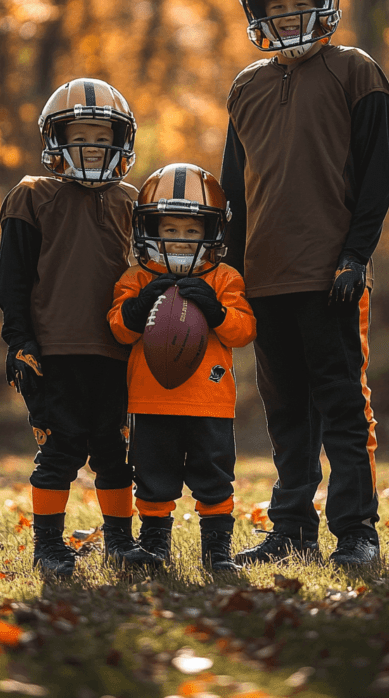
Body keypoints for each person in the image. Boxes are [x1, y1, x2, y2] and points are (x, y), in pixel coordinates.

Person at [220, 0, 389, 568]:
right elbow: (235, 193)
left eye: (301, 3)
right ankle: (292, 527)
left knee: (343, 406)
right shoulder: (245, 86)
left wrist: (356, 255)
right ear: (258, 13)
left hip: (331, 275)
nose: (290, 15)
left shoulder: (355, 70)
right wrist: (230, 274)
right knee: (286, 413)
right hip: (265, 278)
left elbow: (379, 176)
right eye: (277, 5)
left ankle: (355, 530)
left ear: (325, 4)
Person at [0, 78, 139, 576]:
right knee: (61, 450)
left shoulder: (130, 201)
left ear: (121, 142)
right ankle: (49, 546)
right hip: (52, 351)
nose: (92, 146)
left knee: (115, 451)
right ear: (55, 139)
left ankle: (120, 542)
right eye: (81, 135)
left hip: (115, 351)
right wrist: (19, 340)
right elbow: (13, 279)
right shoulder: (32, 195)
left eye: (103, 137)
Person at [108, 163, 256, 572]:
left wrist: (215, 309)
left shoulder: (224, 277)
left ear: (212, 233)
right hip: (151, 400)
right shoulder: (136, 278)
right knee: (153, 478)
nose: (179, 240)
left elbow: (243, 330)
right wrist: (140, 307)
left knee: (214, 478)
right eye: (170, 230)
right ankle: (155, 547)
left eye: (192, 231)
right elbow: (118, 329)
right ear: (149, 228)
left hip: (210, 402)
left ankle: (217, 551)